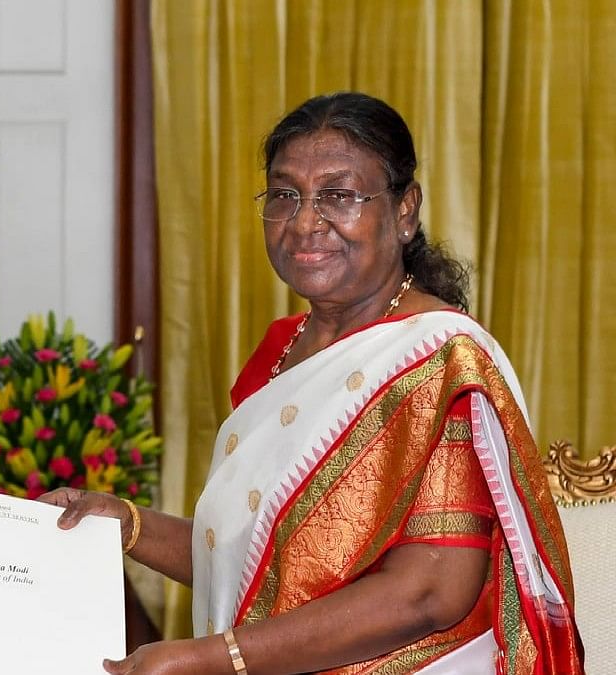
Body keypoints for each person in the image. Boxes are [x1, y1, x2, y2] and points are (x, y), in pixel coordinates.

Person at [44, 92, 583, 673]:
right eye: (284, 195)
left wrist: (213, 659)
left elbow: (430, 590)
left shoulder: (442, 361)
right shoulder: (279, 354)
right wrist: (130, 525)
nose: (304, 223)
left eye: (339, 195)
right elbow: (258, 564)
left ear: (405, 211)